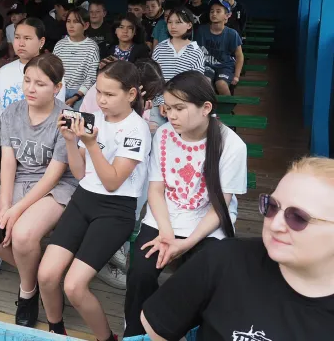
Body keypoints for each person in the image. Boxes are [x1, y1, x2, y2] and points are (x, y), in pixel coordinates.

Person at [141, 156, 334, 340]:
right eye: (272, 206)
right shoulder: (225, 261)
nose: (275, 225)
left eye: (298, 218)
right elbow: (158, 326)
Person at [123, 71, 247, 338]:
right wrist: (167, 233)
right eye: (168, 108)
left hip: (207, 223)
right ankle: (134, 332)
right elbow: (156, 189)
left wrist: (186, 243)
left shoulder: (232, 145)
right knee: (140, 273)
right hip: (165, 217)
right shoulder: (164, 134)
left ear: (206, 108)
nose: (171, 115)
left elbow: (220, 208)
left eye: (179, 108)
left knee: (202, 281)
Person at [38, 60, 151, 340]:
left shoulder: (137, 129)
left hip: (116, 209)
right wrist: (69, 140)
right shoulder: (95, 119)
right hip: (83, 199)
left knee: (74, 286)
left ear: (131, 94)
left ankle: (107, 338)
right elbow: (79, 173)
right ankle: (56, 328)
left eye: (110, 94)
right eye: (99, 92)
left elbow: (112, 182)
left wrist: (90, 144)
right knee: (47, 275)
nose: (101, 100)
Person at [0, 53, 77, 328]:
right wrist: (5, 205)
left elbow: (54, 175)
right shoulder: (12, 112)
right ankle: (42, 279)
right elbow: (8, 162)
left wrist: (16, 209)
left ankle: (27, 293)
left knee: (22, 235)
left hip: (57, 186)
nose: (31, 88)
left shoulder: (65, 118)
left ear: (57, 87)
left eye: (40, 84)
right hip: (20, 179)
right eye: (27, 81)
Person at [0, 17, 66, 114]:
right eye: (17, 37)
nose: (21, 43)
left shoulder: (52, 70)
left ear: (41, 41)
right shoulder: (3, 71)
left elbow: (58, 108)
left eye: (27, 38)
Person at [195, 0, 244, 95]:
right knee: (205, 82)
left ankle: (227, 105)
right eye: (212, 11)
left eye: (218, 11)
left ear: (227, 15)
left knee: (221, 84)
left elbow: (239, 55)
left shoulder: (232, 34)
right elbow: (195, 51)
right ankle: (211, 104)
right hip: (206, 65)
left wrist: (237, 76)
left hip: (225, 66)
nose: (214, 14)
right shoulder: (201, 30)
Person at [53, 8, 100, 109]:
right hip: (58, 90)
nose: (71, 25)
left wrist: (76, 96)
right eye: (68, 21)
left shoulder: (92, 47)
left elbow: (91, 78)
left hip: (81, 94)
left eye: (76, 22)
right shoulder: (60, 45)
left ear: (86, 25)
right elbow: (53, 70)